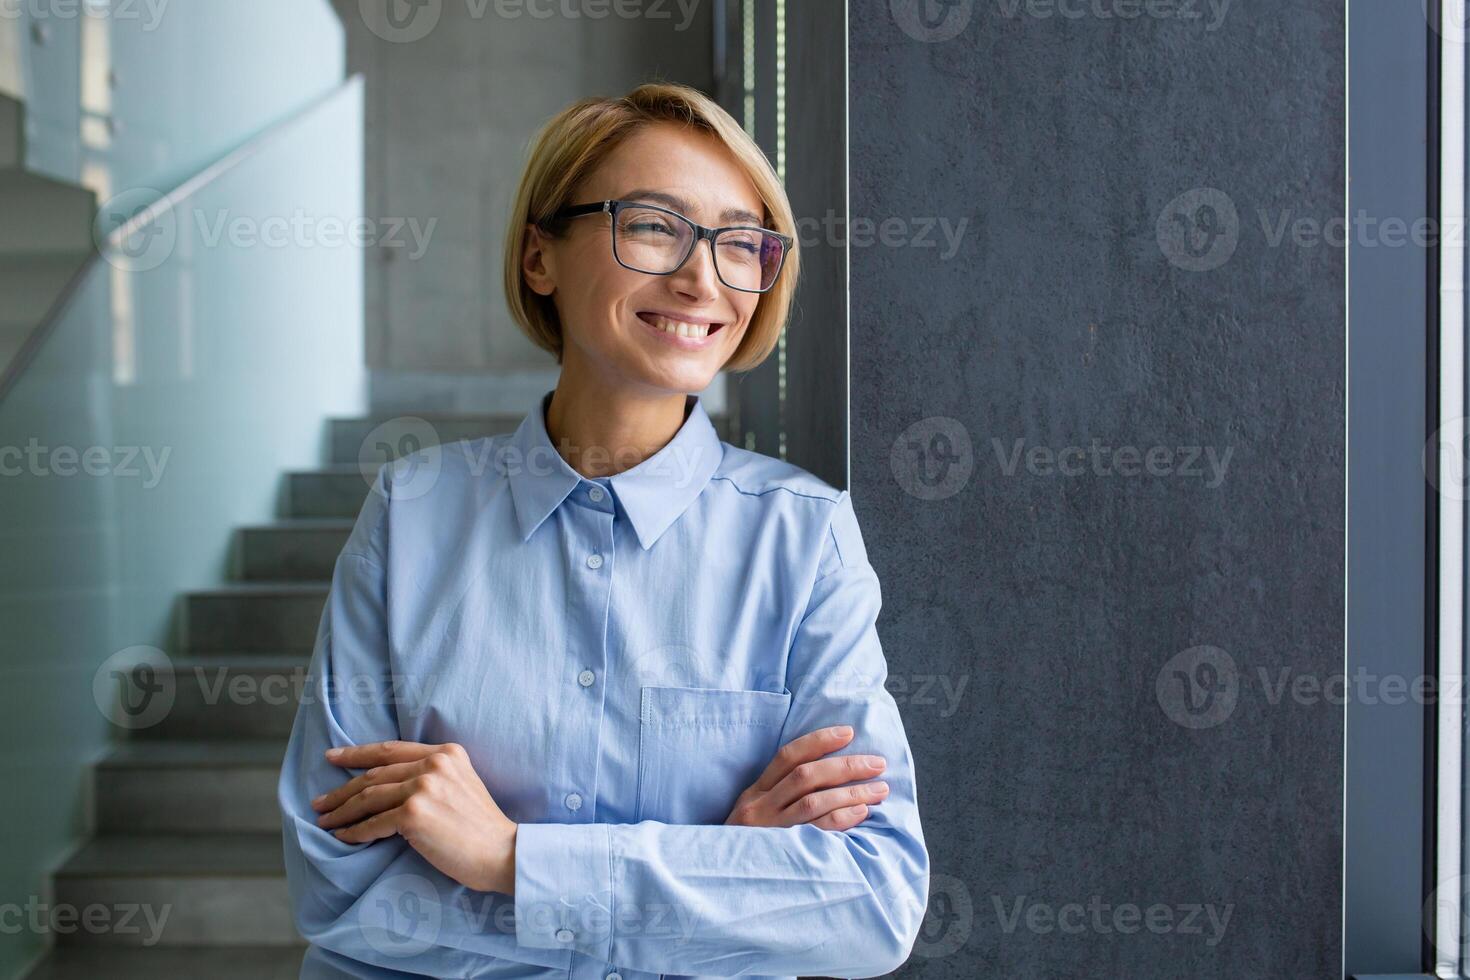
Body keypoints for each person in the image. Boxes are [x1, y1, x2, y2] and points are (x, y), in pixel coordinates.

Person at [278, 81, 930, 979]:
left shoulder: (802, 537)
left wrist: (510, 859)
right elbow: (339, 890)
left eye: (741, 242)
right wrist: (722, 874)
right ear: (540, 255)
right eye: (655, 225)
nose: (704, 278)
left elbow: (871, 900)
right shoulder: (411, 514)